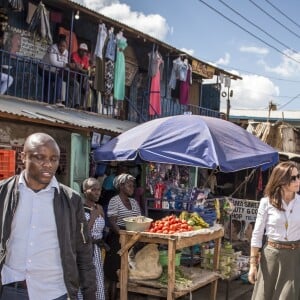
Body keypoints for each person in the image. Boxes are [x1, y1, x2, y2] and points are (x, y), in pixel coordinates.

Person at [0, 133, 96, 300]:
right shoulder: (3, 193)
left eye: (54, 159)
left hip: (54, 292)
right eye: (40, 157)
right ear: (23, 157)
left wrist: (89, 294)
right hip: (11, 289)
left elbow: (83, 252)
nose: (48, 165)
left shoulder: (71, 200)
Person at [248, 161, 300, 300]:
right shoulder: (266, 202)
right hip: (271, 256)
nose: (297, 181)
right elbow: (257, 234)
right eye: (293, 178)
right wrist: (253, 264)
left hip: (294, 257)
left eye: (298, 176)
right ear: (281, 180)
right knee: (264, 296)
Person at [104, 173, 141, 300]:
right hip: (117, 239)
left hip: (132, 239)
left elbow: (139, 220)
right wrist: (121, 235)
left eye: (133, 185)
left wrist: (134, 239)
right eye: (129, 184)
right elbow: (112, 221)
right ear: (121, 186)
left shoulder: (134, 202)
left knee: (128, 272)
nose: (132, 187)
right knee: (115, 273)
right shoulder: (115, 200)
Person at [78, 178, 105, 300]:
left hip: (97, 251)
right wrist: (93, 218)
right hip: (84, 251)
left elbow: (103, 230)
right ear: (85, 191)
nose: (97, 192)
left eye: (99, 189)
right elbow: (80, 234)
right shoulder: (79, 209)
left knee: (98, 281)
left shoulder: (99, 208)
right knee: (84, 281)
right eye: (93, 189)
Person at [41, 34, 69, 104]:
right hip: (43, 69)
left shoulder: (66, 52)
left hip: (53, 71)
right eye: (61, 46)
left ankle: (48, 100)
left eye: (64, 46)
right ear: (57, 45)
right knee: (56, 78)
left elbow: (65, 63)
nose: (62, 48)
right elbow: (53, 62)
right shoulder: (53, 48)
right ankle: (57, 99)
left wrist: (65, 65)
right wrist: (65, 65)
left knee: (57, 79)